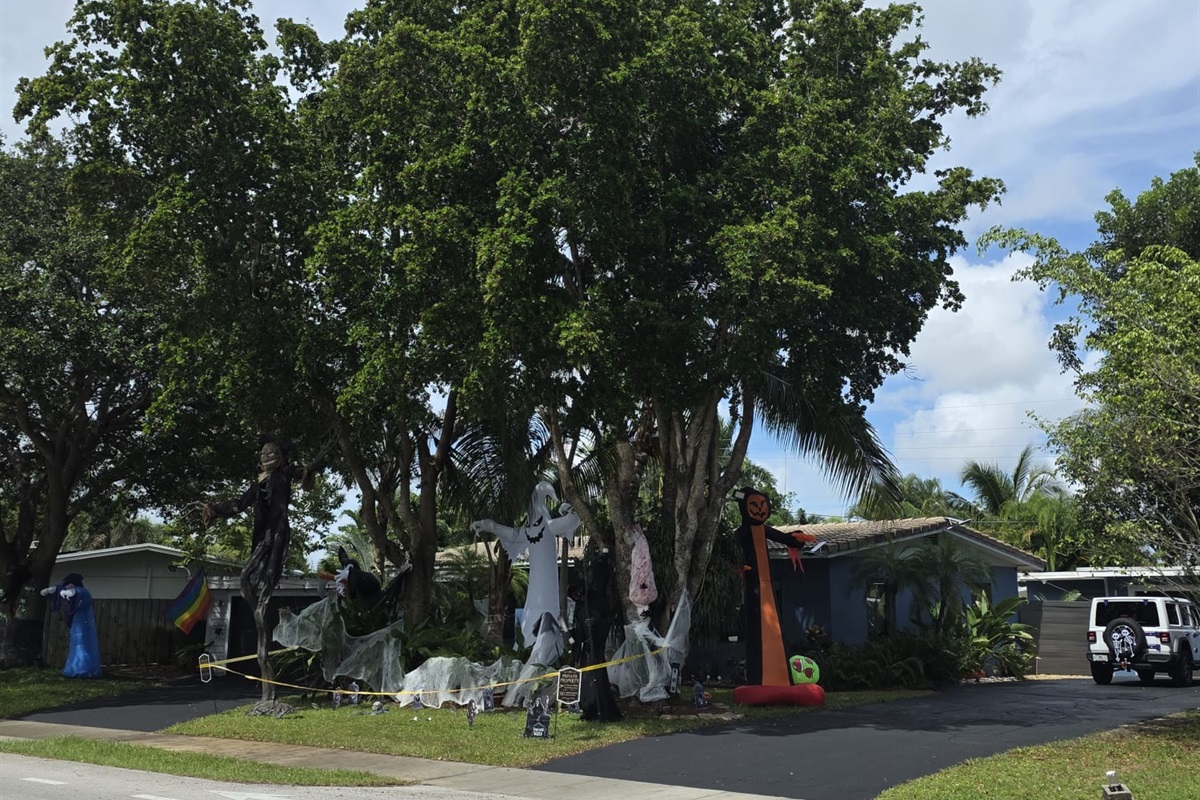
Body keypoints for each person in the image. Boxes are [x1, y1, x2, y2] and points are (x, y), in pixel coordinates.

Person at [202, 436, 309, 604]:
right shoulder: (257, 486)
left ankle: (263, 605)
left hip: (277, 533)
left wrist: (306, 473)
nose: (266, 456)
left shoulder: (284, 474)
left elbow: (299, 473)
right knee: (245, 576)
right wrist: (215, 509)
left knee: (270, 575)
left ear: (280, 456)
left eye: (271, 453)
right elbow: (239, 504)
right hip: (262, 535)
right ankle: (256, 606)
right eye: (263, 453)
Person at [41, 573, 101, 678]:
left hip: (85, 625)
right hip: (76, 625)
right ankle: (74, 667)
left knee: (84, 647)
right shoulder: (72, 591)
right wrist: (50, 590)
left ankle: (84, 669)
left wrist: (68, 592)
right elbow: (60, 589)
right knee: (76, 646)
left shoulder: (83, 592)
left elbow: (76, 593)